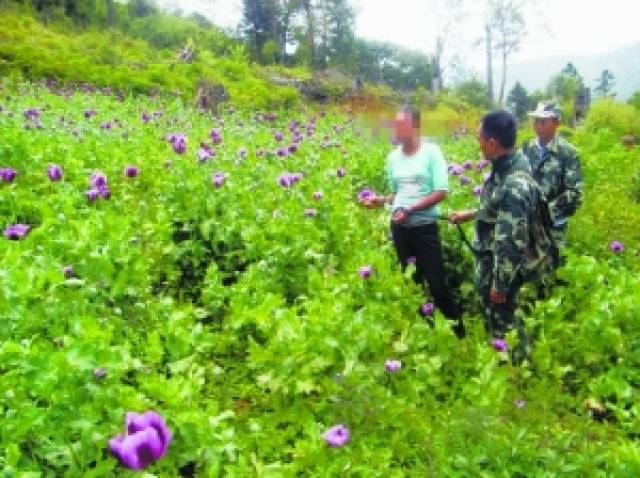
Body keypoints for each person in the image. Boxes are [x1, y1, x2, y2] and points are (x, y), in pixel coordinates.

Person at [363, 105, 464, 338]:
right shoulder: (392, 158)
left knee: (437, 284)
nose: (397, 129)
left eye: (402, 124)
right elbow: (397, 194)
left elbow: (441, 192)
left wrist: (410, 209)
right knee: (413, 283)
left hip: (424, 228)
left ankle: (459, 334)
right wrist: (381, 200)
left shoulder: (431, 153)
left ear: (416, 125)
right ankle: (427, 332)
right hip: (400, 229)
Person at [449, 111, 539, 359]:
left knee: (504, 322)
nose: (477, 143)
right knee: (500, 319)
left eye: (479, 138)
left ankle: (516, 369)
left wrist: (500, 284)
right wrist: (471, 213)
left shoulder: (513, 183)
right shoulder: (510, 163)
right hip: (492, 262)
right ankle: (508, 360)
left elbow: (510, 241)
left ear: (491, 143)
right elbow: (499, 209)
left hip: (501, 268)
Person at [521, 101, 583, 251]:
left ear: (556, 122)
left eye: (543, 121)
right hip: (524, 225)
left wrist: (545, 213)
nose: (538, 125)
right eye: (536, 121)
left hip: (552, 228)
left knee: (550, 269)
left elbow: (575, 194)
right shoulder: (526, 149)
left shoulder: (568, 153)